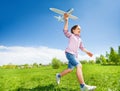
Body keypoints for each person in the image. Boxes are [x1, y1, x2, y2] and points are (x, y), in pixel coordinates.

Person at [56, 13, 96, 91]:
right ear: (73, 30)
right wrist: (66, 20)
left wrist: (88, 52)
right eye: (78, 28)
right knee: (79, 65)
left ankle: (59, 75)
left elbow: (82, 48)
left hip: (74, 56)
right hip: (69, 53)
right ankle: (83, 86)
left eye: (80, 29)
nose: (79, 30)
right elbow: (65, 31)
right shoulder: (71, 36)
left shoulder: (80, 39)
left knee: (70, 69)